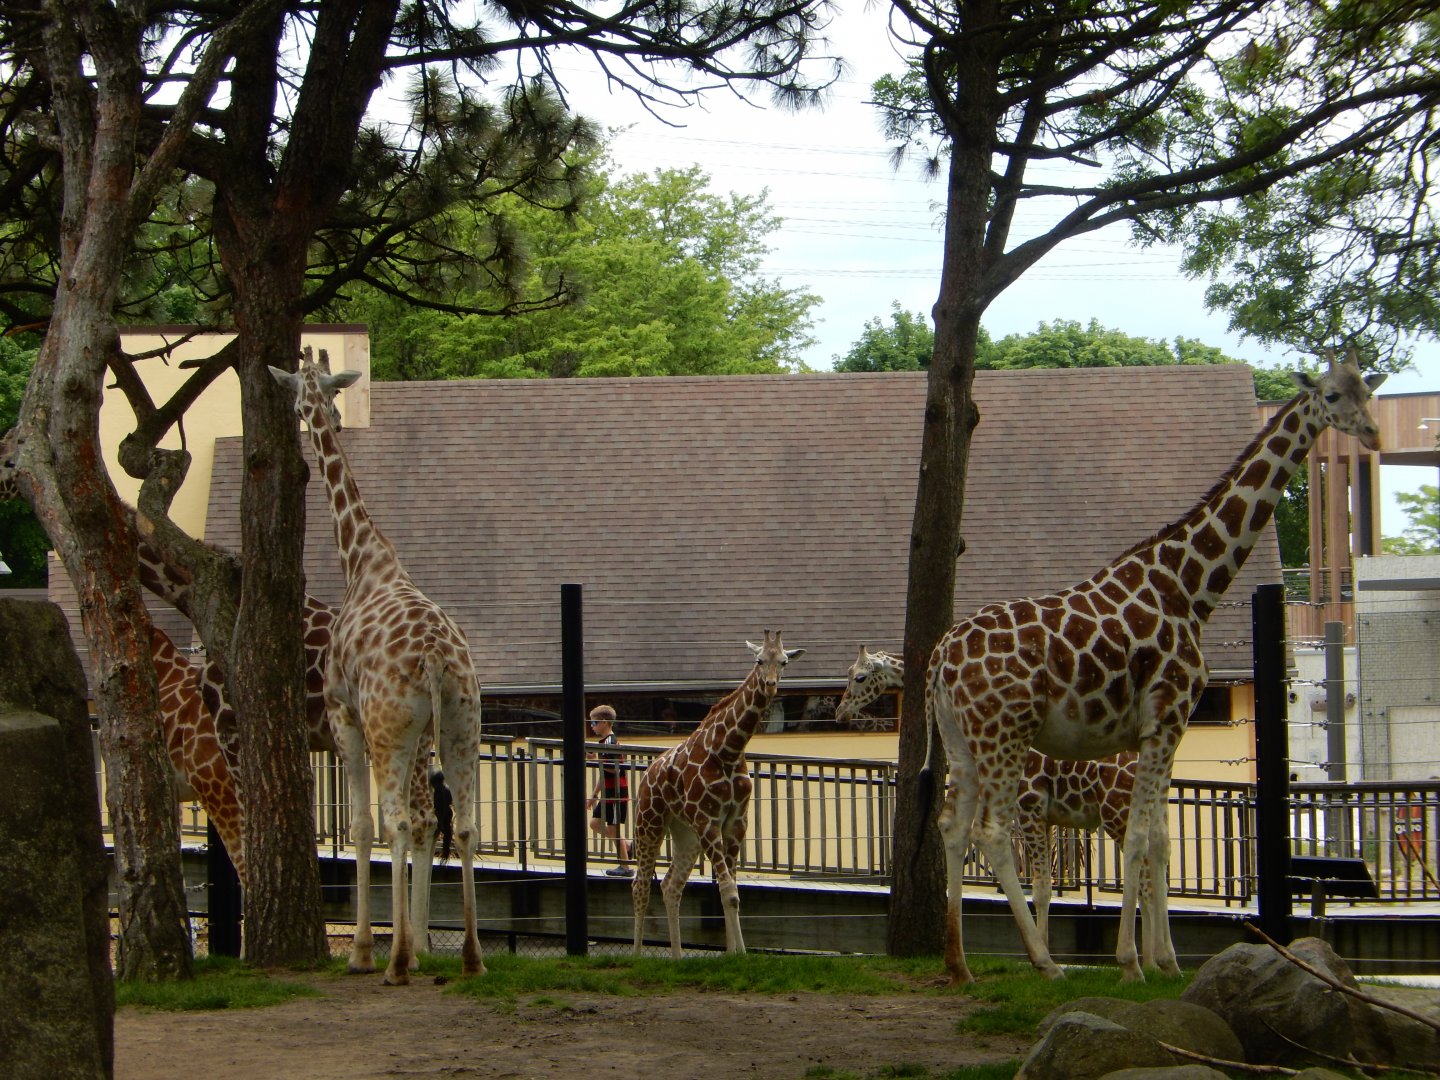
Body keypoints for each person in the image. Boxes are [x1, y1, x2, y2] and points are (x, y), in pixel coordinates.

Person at [586, 704, 633, 877]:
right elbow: (604, 772)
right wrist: (594, 795)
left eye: (594, 723)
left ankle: (626, 867)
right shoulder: (603, 743)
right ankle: (626, 845)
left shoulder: (611, 742)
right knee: (595, 824)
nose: (592, 726)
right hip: (608, 793)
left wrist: (596, 759)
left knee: (614, 830)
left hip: (616, 794)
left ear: (605, 722)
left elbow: (615, 769)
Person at [431, 768, 454, 863]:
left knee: (439, 831)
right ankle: (445, 854)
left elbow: (437, 805)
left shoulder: (436, 792)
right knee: (447, 834)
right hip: (448, 814)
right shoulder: (447, 790)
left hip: (439, 815)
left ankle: (443, 854)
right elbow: (450, 801)